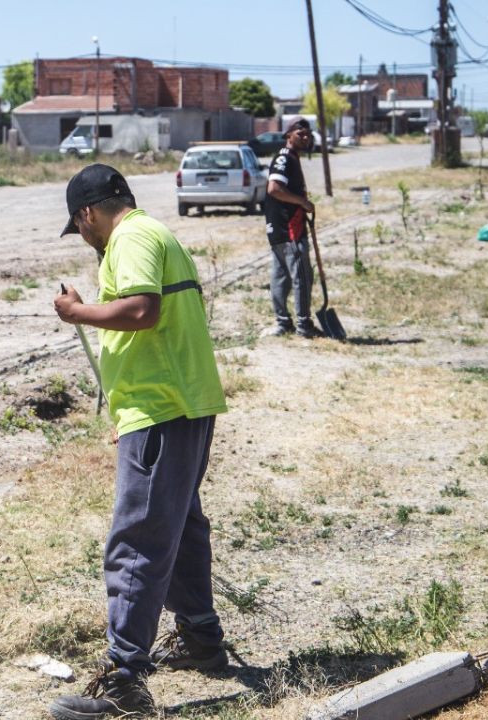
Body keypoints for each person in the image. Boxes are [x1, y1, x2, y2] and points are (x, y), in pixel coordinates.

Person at [49, 163, 230, 720]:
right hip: (178, 405)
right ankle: (201, 636)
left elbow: (142, 311)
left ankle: (124, 678)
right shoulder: (155, 233)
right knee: (180, 524)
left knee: (140, 538)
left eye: (78, 226)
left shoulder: (128, 238)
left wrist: (77, 312)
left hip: (162, 408)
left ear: (88, 213)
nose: (83, 237)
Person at [264, 116, 320, 338]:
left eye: (308, 134)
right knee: (302, 276)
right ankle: (303, 325)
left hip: (279, 229)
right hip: (289, 229)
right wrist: (302, 202)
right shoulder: (285, 158)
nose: (305, 137)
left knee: (280, 276)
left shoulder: (291, 158)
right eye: (300, 134)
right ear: (289, 135)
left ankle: (283, 322)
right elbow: (274, 188)